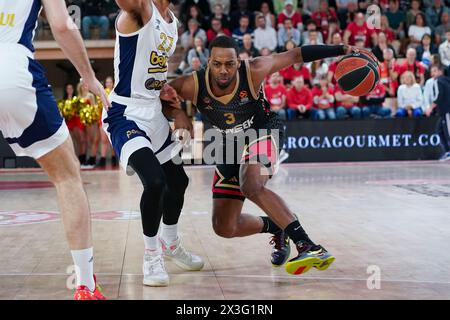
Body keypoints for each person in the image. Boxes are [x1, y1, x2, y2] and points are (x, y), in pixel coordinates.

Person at [164, 35, 359, 275]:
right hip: (227, 146)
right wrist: (178, 113)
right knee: (224, 227)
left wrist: (340, 48)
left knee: (252, 184)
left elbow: (295, 55)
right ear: (208, 61)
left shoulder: (255, 69)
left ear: (239, 61)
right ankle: (278, 225)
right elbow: (162, 96)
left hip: (264, 130)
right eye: (217, 64)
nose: (223, 70)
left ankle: (308, 245)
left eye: (229, 64)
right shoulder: (192, 84)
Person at [0, 0, 110, 299]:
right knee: (66, 176)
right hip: (11, 68)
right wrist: (88, 77)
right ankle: (85, 286)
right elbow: (61, 25)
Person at [105, 0, 204, 287]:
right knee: (155, 182)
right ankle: (151, 255)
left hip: (153, 112)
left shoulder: (172, 22)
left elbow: (155, 76)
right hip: (125, 113)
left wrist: (175, 111)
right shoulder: (138, 10)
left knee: (178, 181)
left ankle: (170, 243)